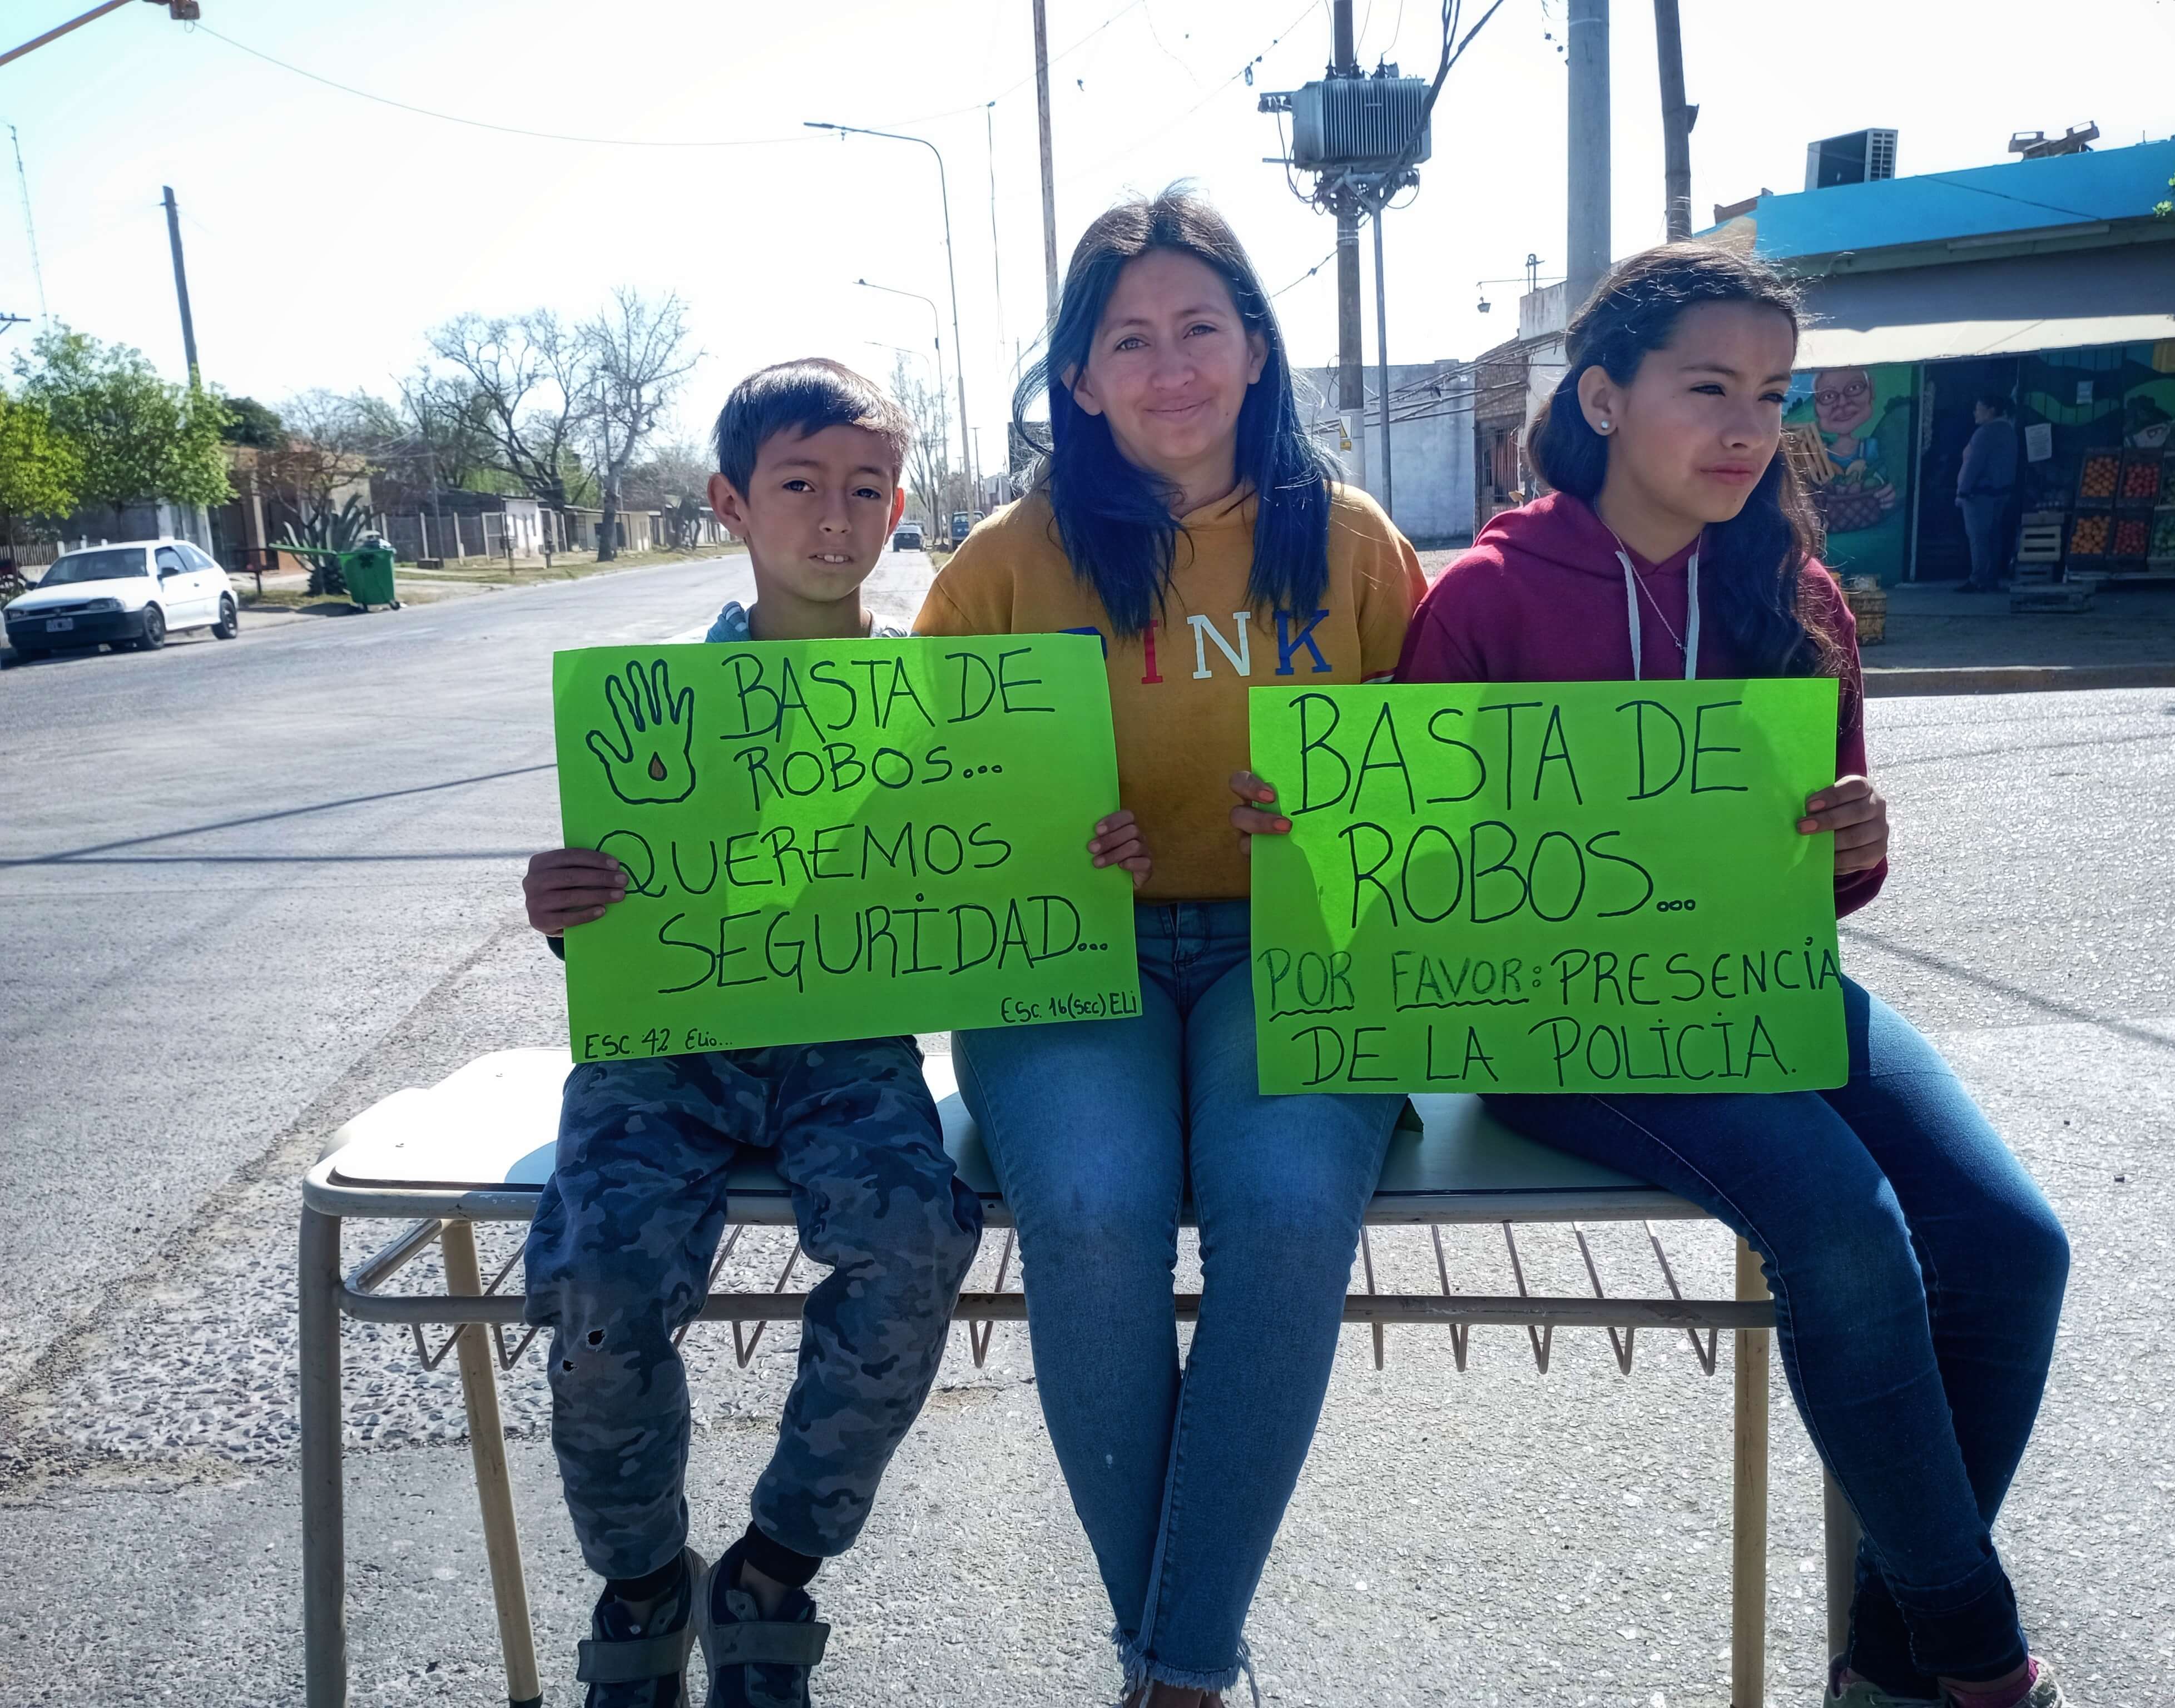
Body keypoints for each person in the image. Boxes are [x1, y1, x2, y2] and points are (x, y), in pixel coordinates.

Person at [1243, 245, 2071, 1708]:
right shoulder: (1490, 598)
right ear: (1607, 398)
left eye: (1772, 393)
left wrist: (1853, 838)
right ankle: (1976, 1650)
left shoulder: (1798, 589)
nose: (1747, 427)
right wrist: (1323, 829)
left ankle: (1888, 1650)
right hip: (1568, 1029)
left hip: (1762, 990)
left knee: (2015, 1247)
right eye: (1709, 388)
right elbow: (1405, 877)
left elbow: (1832, 880)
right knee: (1848, 1231)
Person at [517, 360, 1148, 1708]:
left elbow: (1004, 877)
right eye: (797, 486)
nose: (831, 518)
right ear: (731, 503)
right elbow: (613, 919)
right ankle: (638, 1580)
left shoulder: (958, 704)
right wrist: (564, 905)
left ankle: (773, 1567)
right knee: (599, 1282)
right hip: (665, 1052)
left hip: (844, 1045)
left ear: (899, 509)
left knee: (917, 1233)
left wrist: (1085, 850)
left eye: (864, 490)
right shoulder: (651, 711)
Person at [915, 189, 1428, 1707]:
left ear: (1259, 348)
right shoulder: (1001, 566)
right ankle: (1185, 1659)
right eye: (1125, 339)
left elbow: (1448, 799)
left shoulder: (1352, 545)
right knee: (1085, 1202)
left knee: (1282, 1210)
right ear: (1076, 379)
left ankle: (1174, 1673)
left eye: (1201, 325)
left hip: (1299, 946)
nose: (1170, 364)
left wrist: (1343, 817)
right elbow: (930, 815)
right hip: (1080, 961)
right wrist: (1037, 834)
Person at [1956, 395, 2019, 593]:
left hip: (1980, 494)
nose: (1975, 413)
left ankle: (1978, 579)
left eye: (1979, 408)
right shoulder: (2009, 431)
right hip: (2001, 493)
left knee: (1978, 537)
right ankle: (1991, 578)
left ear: (1991, 410)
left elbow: (1974, 465)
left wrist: (1963, 491)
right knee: (1993, 536)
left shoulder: (1985, 433)